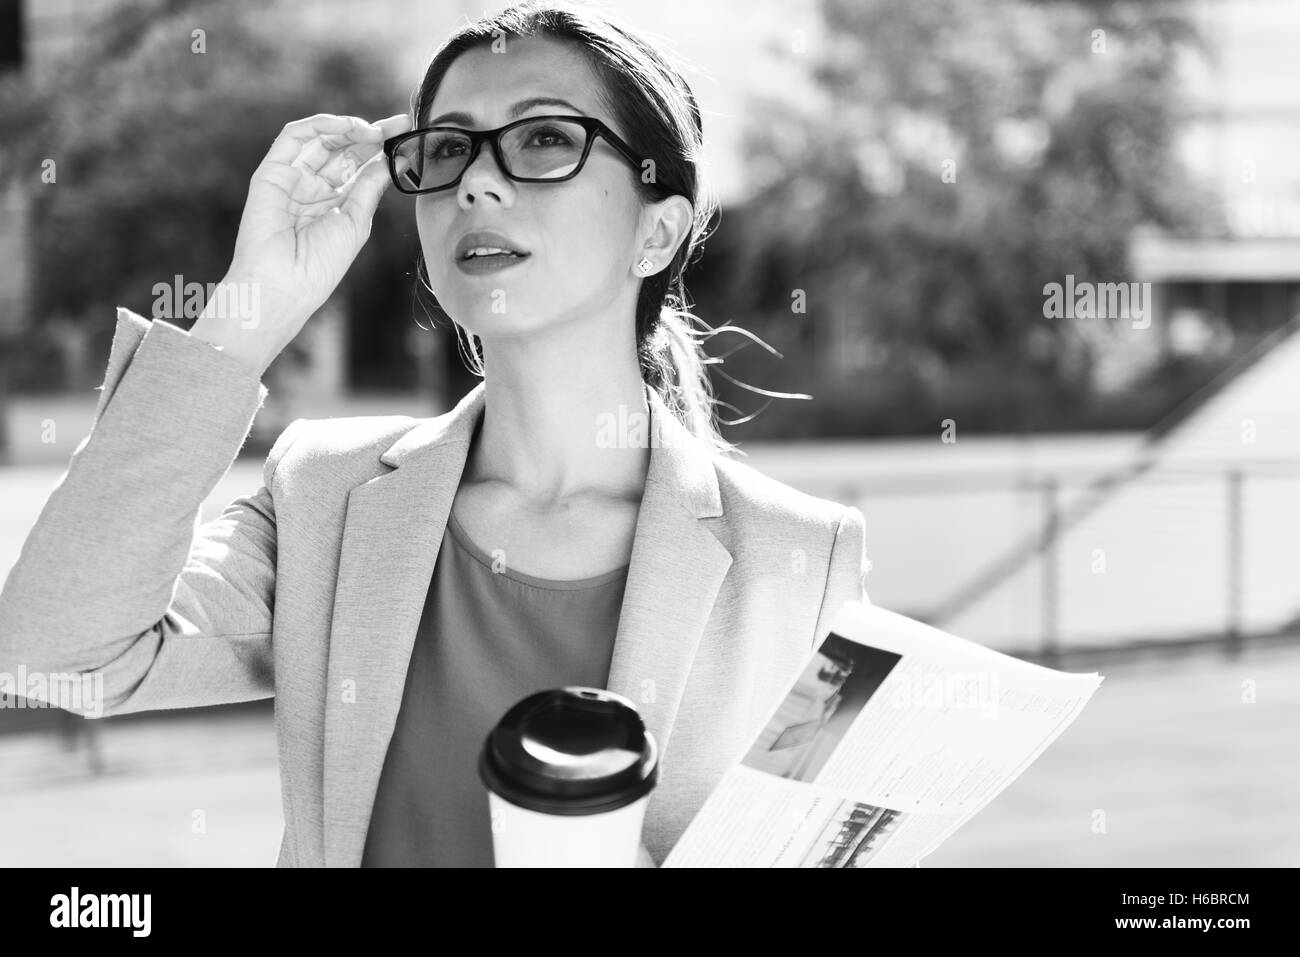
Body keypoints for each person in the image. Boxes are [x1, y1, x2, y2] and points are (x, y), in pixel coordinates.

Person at [0, 0, 870, 867]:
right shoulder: (323, 495)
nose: (475, 182)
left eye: (543, 139)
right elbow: (60, 654)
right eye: (449, 147)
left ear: (658, 229)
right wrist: (253, 306)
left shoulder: (797, 561)